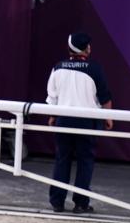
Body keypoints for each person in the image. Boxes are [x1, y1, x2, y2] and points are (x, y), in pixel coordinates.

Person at [45, 31, 113, 213]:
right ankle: (80, 203)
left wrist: (52, 117)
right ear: (87, 49)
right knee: (85, 162)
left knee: (62, 160)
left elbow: (52, 98)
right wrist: (108, 117)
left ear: (69, 48)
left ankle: (57, 201)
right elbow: (105, 98)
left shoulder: (58, 68)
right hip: (87, 123)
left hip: (63, 120)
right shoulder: (95, 69)